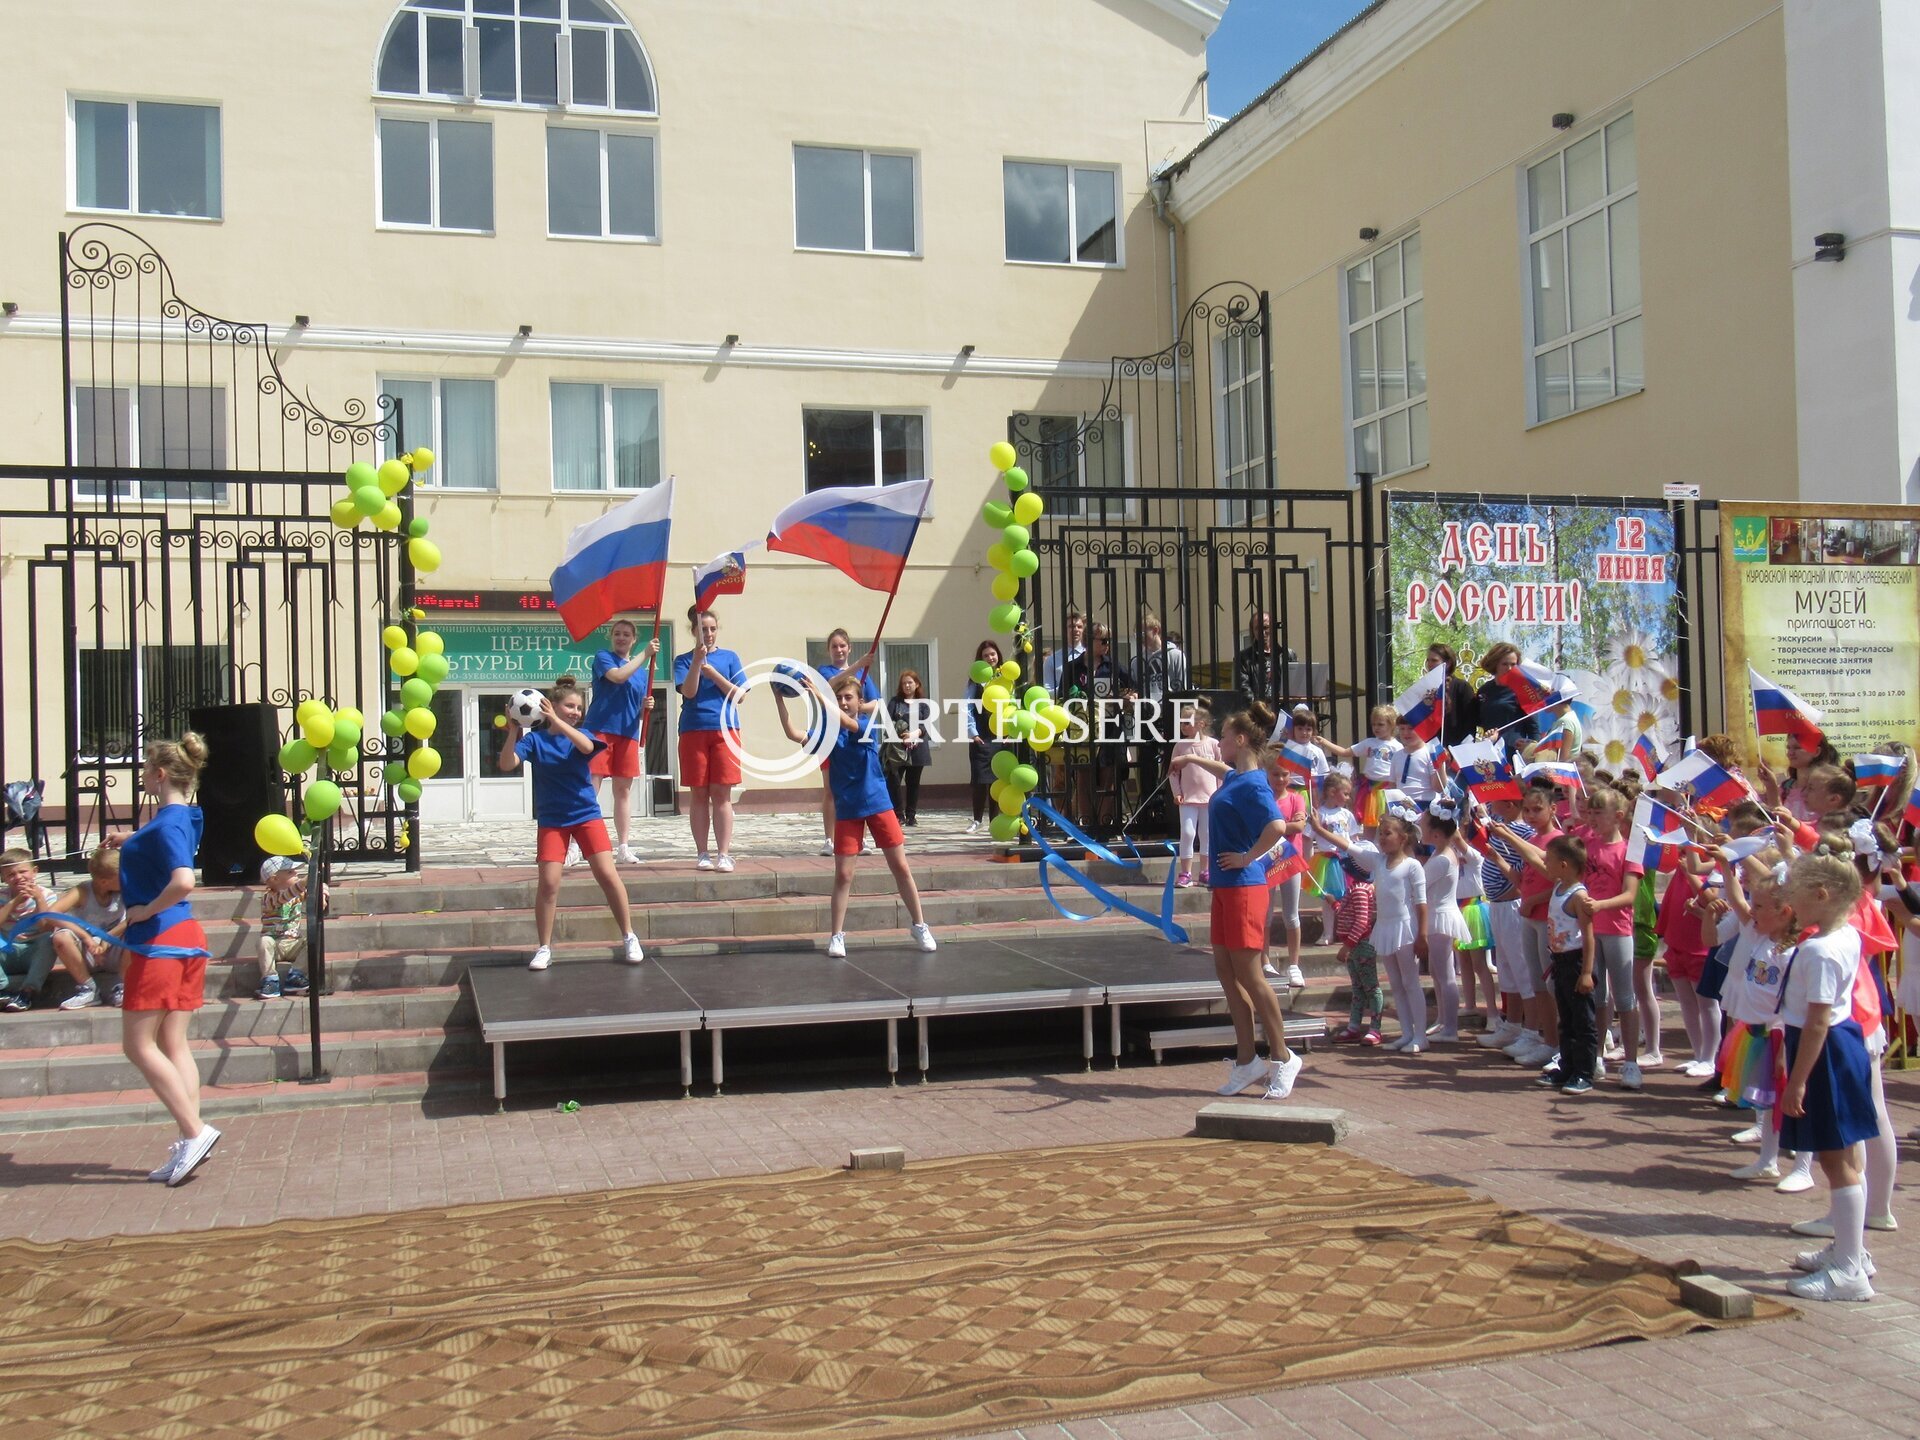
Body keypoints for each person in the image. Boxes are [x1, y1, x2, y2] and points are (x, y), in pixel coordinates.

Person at [110, 732, 220, 1187]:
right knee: (173, 1043)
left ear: (158, 775)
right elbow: (169, 835)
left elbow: (182, 880)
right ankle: (189, 1141)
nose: (141, 776)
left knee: (138, 1044)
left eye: (144, 770)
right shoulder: (183, 816)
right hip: (183, 938)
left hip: (161, 938)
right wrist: (133, 839)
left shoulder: (170, 823)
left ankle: (194, 1133)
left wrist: (141, 910)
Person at [1776, 846, 1880, 1301]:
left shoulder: (1819, 949)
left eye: (1795, 894)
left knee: (1836, 1161)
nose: (1789, 903)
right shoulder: (1846, 934)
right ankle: (1849, 1247)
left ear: (1820, 895)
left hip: (1824, 1052)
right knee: (1846, 1156)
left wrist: (1797, 1080)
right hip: (1839, 1045)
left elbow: (1817, 1019)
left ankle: (1850, 1271)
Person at [776, 671, 937, 959]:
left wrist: (820, 696)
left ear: (859, 701)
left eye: (848, 697)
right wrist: (779, 696)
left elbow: (848, 722)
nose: (843, 701)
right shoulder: (828, 735)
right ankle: (837, 936)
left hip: (877, 803)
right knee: (843, 875)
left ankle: (919, 925)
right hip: (848, 808)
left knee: (900, 867)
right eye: (839, 697)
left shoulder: (865, 725)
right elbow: (792, 733)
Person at [498, 677, 644, 972]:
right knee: (549, 883)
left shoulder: (584, 734)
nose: (576, 712)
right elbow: (506, 764)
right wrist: (513, 731)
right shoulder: (535, 740)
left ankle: (629, 936)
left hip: (586, 815)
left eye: (579, 708)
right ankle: (544, 947)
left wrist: (556, 719)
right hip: (553, 820)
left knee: (606, 874)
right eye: (570, 706)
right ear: (551, 705)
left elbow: (587, 745)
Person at [1205, 700, 1304, 1101]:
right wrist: (1191, 758)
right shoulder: (1236, 778)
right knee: (1228, 974)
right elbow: (1225, 771)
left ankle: (1282, 1056)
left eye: (1224, 736)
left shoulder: (1256, 783)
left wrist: (1248, 857)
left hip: (1245, 885)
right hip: (1225, 888)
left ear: (1240, 739)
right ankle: (1247, 1061)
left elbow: (1277, 827)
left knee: (1251, 976)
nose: (1220, 741)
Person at [1311, 808, 1430, 1052]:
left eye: (1388, 833)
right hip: (1385, 927)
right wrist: (1319, 829)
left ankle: (1421, 1036)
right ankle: (1406, 1033)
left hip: (1405, 928)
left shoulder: (1412, 866)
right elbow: (1347, 845)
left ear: (1403, 838)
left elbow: (1421, 903)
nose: (1382, 838)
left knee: (1410, 982)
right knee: (1396, 984)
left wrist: (1423, 935)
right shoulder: (1377, 861)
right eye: (1380, 833)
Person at [1564, 786, 1644, 1088]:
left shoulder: (1628, 851)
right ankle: (1594, 1056)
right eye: (1591, 812)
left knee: (1625, 997)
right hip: (1590, 931)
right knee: (1596, 996)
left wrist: (1599, 905)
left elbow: (1629, 894)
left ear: (1618, 816)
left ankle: (1631, 1063)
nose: (1593, 817)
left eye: (1600, 813)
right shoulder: (1586, 844)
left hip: (1618, 930)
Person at [673, 606, 746, 871]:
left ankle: (724, 853)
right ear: (694, 632)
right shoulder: (682, 660)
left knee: (722, 793)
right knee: (699, 793)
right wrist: (696, 663)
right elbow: (689, 693)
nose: (709, 633)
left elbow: (740, 695)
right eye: (703, 629)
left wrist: (714, 674)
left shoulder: (729, 658)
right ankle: (702, 853)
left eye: (713, 628)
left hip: (726, 730)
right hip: (693, 729)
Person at [584, 616, 659, 865]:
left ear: (633, 639)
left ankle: (623, 846)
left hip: (627, 733)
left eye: (627, 634)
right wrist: (645, 655)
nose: (621, 637)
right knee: (590, 787)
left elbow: (635, 706)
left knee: (622, 791)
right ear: (611, 636)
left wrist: (646, 706)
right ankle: (576, 844)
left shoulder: (642, 675)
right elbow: (617, 677)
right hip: (599, 730)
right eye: (617, 633)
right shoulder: (603, 657)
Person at [1536, 834, 1598, 1095]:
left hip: (1575, 962)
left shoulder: (1578, 896)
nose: (1545, 865)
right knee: (1567, 1019)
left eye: (1548, 861)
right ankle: (1567, 1066)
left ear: (1564, 864)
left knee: (1583, 1021)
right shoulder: (1557, 888)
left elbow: (1589, 936)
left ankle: (1584, 1072)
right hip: (1560, 961)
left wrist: (1586, 973)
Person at [813, 628, 883, 856]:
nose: (839, 650)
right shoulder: (825, 671)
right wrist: (859, 665)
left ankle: (860, 840)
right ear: (828, 650)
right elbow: (830, 683)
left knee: (858, 787)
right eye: (834, 646)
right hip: (830, 738)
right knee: (830, 789)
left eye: (842, 645)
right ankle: (829, 839)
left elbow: (878, 704)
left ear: (849, 647)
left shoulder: (863, 676)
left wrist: (858, 707)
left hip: (855, 738)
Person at [1062, 623, 1136, 832]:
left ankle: (1104, 827)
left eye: (1109, 640)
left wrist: (1129, 697)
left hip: (1111, 727)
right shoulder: (1073, 667)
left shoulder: (1113, 666)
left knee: (1109, 776)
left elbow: (1134, 687)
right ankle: (1086, 826)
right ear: (1089, 641)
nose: (1107, 645)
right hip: (1082, 729)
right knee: (1083, 777)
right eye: (1103, 640)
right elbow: (1063, 697)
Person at [0, 850, 94, 1010]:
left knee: (50, 938)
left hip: (34, 952)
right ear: (3, 878)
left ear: (34, 871)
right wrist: (14, 903)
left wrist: (38, 899)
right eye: (11, 874)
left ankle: (27, 992)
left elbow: (46, 925)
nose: (18, 877)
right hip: (7, 952)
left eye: (23, 872)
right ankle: (3, 990)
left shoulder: (47, 894)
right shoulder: (2, 895)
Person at [42, 848, 127, 1010]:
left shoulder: (126, 890)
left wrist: (107, 938)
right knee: (60, 937)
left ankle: (123, 986)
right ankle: (89, 989)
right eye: (121, 876)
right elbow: (50, 914)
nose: (126, 879)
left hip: (115, 949)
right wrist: (86, 937)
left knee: (138, 930)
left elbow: (135, 916)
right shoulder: (82, 891)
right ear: (104, 882)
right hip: (88, 953)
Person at [1420, 801, 1472, 1042]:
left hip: (1441, 916)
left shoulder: (1442, 859)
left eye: (1424, 826)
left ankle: (1451, 1028)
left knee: (1445, 974)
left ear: (1437, 834)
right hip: (1437, 915)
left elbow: (1420, 884)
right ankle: (1443, 1020)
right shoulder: (1439, 853)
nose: (1420, 828)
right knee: (1437, 971)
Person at [1133, 612, 1188, 827]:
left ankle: (1170, 807)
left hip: (1168, 713)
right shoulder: (1138, 659)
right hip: (1147, 715)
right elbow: (1137, 685)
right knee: (1146, 762)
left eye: (1141, 632)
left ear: (1154, 630)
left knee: (1170, 761)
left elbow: (1181, 686)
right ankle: (1148, 810)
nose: (1138, 637)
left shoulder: (1175, 656)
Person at [964, 639, 1017, 834]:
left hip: (1002, 736)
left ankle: (995, 820)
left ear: (998, 656)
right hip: (981, 735)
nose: (990, 658)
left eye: (992, 654)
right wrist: (973, 733)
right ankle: (977, 820)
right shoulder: (975, 680)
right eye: (985, 655)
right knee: (979, 779)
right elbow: (967, 707)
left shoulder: (1006, 678)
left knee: (998, 780)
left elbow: (1013, 705)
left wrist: (1011, 733)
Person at [1323, 704, 1402, 832]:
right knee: (1369, 826)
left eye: (1380, 724)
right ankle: (1368, 847)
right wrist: (1324, 742)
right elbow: (1345, 752)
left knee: (1388, 825)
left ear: (1392, 725)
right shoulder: (1369, 743)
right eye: (1374, 724)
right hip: (1370, 790)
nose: (1376, 728)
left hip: (1387, 791)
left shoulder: (1398, 747)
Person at [1168, 699, 1220, 887]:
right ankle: (1186, 872)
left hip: (1210, 799)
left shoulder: (1213, 745)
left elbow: (1221, 771)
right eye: (1181, 722)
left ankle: (1206, 871)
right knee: (1188, 833)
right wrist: (1177, 792)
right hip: (1188, 799)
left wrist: (1220, 794)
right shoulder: (1180, 746)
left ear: (1201, 724)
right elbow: (1173, 773)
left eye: (1186, 722)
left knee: (1206, 834)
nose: (1183, 726)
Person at [255, 855, 321, 1000]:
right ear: (275, 879)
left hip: (292, 943)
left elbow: (314, 891)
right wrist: (304, 883)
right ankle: (270, 979)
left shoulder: (298, 894)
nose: (296, 874)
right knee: (264, 942)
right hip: (275, 943)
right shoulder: (268, 897)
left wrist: (323, 892)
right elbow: (284, 897)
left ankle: (296, 975)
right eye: (290, 872)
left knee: (313, 941)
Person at [884, 669, 933, 826]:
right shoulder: (895, 702)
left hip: (918, 749)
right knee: (894, 780)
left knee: (913, 783)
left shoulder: (924, 704)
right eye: (904, 683)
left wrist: (914, 734)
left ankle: (911, 815)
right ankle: (899, 814)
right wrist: (902, 736)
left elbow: (927, 725)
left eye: (910, 682)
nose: (907, 685)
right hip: (897, 750)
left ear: (917, 684)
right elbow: (888, 722)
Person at [1473, 643, 1538, 745]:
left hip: (1514, 750)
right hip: (1490, 748)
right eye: (1505, 664)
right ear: (1495, 665)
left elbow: (1534, 728)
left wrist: (1534, 751)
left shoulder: (1524, 690)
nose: (1509, 668)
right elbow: (1476, 721)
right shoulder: (1484, 690)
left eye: (1513, 664)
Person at [1233, 611, 1295, 705]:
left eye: (1266, 627)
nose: (1263, 632)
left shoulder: (1287, 654)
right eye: (1258, 628)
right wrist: (1259, 709)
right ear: (1253, 631)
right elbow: (1243, 689)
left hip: (1283, 710)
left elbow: (1296, 685)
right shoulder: (1244, 658)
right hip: (1258, 713)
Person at [1426, 642, 1478, 748]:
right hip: (1431, 750)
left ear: (1448, 663)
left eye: (1434, 660)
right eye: (1428, 660)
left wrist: (1460, 751)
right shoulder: (1425, 688)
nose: (1430, 664)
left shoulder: (1462, 687)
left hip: (1456, 749)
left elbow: (1470, 725)